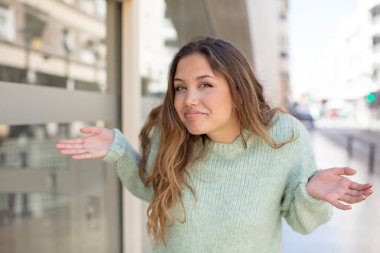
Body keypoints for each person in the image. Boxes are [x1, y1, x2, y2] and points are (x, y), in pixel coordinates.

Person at [56, 37, 373, 253]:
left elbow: (302, 224)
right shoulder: (171, 132)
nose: (188, 100)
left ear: (237, 89)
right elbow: (152, 189)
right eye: (180, 88)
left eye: (205, 85)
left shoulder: (283, 136)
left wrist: (310, 192)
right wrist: (119, 150)